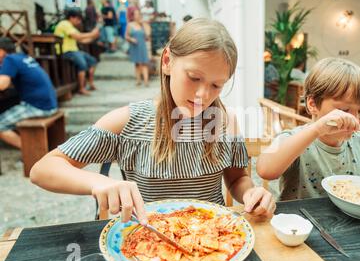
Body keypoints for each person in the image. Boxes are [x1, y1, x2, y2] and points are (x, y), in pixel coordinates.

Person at [30, 18, 276, 224]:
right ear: (167, 61)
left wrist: (251, 193)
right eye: (193, 77)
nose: (203, 95)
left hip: (214, 237)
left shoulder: (225, 122)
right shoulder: (127, 121)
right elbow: (43, 169)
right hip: (151, 240)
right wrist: (98, 182)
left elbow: (236, 179)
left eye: (216, 85)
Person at [256, 57, 360, 212]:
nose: (353, 118)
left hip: (348, 222)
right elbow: (265, 170)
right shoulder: (296, 139)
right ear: (312, 104)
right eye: (343, 110)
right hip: (298, 226)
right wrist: (316, 129)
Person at [0, 37, 57, 150]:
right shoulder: (23, 57)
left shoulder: (9, 59)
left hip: (38, 106)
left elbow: (2, 85)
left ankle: (31, 151)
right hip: (49, 103)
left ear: (2, 50)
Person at [54, 9, 100, 95]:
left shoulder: (71, 27)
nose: (79, 22)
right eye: (78, 19)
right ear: (71, 17)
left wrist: (94, 36)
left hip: (74, 51)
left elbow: (82, 40)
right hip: (66, 51)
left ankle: (90, 83)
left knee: (93, 61)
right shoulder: (64, 24)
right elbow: (78, 37)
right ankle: (81, 88)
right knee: (83, 65)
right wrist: (92, 34)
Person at [126, 10, 150, 87]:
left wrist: (144, 25)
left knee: (144, 63)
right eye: (135, 14)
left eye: (138, 14)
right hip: (134, 46)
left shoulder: (143, 24)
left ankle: (146, 81)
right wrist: (131, 39)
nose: (137, 16)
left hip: (142, 46)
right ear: (133, 16)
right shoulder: (130, 25)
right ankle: (138, 80)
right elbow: (126, 36)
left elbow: (147, 36)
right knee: (137, 64)